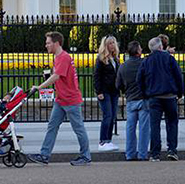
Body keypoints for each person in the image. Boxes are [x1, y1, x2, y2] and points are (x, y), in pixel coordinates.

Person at [28, 31, 91, 166]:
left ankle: (86, 156)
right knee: (52, 126)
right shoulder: (58, 57)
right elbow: (58, 76)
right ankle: (44, 155)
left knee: (78, 128)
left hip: (70, 99)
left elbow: (57, 76)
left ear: (56, 43)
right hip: (61, 99)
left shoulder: (63, 57)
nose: (46, 45)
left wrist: (40, 87)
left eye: (48, 43)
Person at [137, 37, 184, 162]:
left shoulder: (146, 61)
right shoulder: (169, 58)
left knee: (155, 125)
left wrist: (145, 93)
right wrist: (180, 93)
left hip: (154, 97)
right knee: (172, 123)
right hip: (169, 95)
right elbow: (178, 76)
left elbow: (139, 79)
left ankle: (155, 153)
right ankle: (172, 150)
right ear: (160, 47)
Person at [116, 41, 150, 161]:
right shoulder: (144, 64)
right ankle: (142, 154)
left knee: (130, 127)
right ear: (138, 51)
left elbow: (118, 84)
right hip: (143, 98)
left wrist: (125, 91)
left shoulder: (123, 66)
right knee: (144, 128)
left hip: (130, 98)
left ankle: (130, 154)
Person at [93, 35, 120, 152]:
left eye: (113, 43)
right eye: (110, 43)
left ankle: (108, 140)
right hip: (104, 91)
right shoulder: (101, 59)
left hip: (114, 91)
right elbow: (96, 76)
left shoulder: (115, 59)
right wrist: (98, 91)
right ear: (105, 45)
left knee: (113, 116)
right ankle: (103, 141)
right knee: (107, 115)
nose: (112, 45)